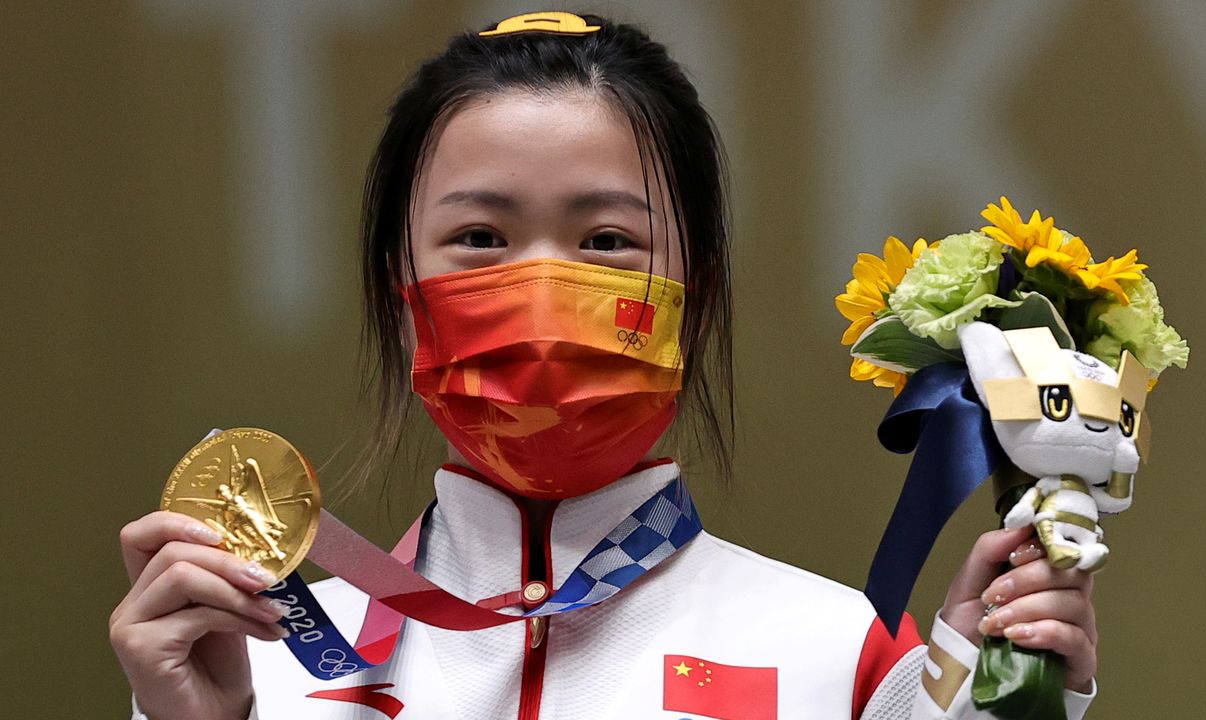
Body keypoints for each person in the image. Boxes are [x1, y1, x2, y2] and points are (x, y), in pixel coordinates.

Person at [109, 12, 1099, 720]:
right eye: (481, 238)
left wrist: (991, 711)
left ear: (693, 296)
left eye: (607, 241)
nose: (541, 290)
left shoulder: (845, 658)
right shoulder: (256, 665)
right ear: (399, 294)